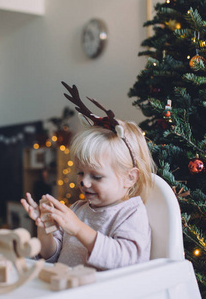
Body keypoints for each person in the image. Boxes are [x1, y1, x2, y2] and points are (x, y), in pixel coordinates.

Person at [20, 82, 156, 271]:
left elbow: (128, 261)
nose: (84, 181)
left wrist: (78, 228)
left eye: (97, 176)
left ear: (130, 178)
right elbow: (51, 256)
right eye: (81, 173)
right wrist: (44, 229)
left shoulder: (131, 213)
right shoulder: (78, 209)